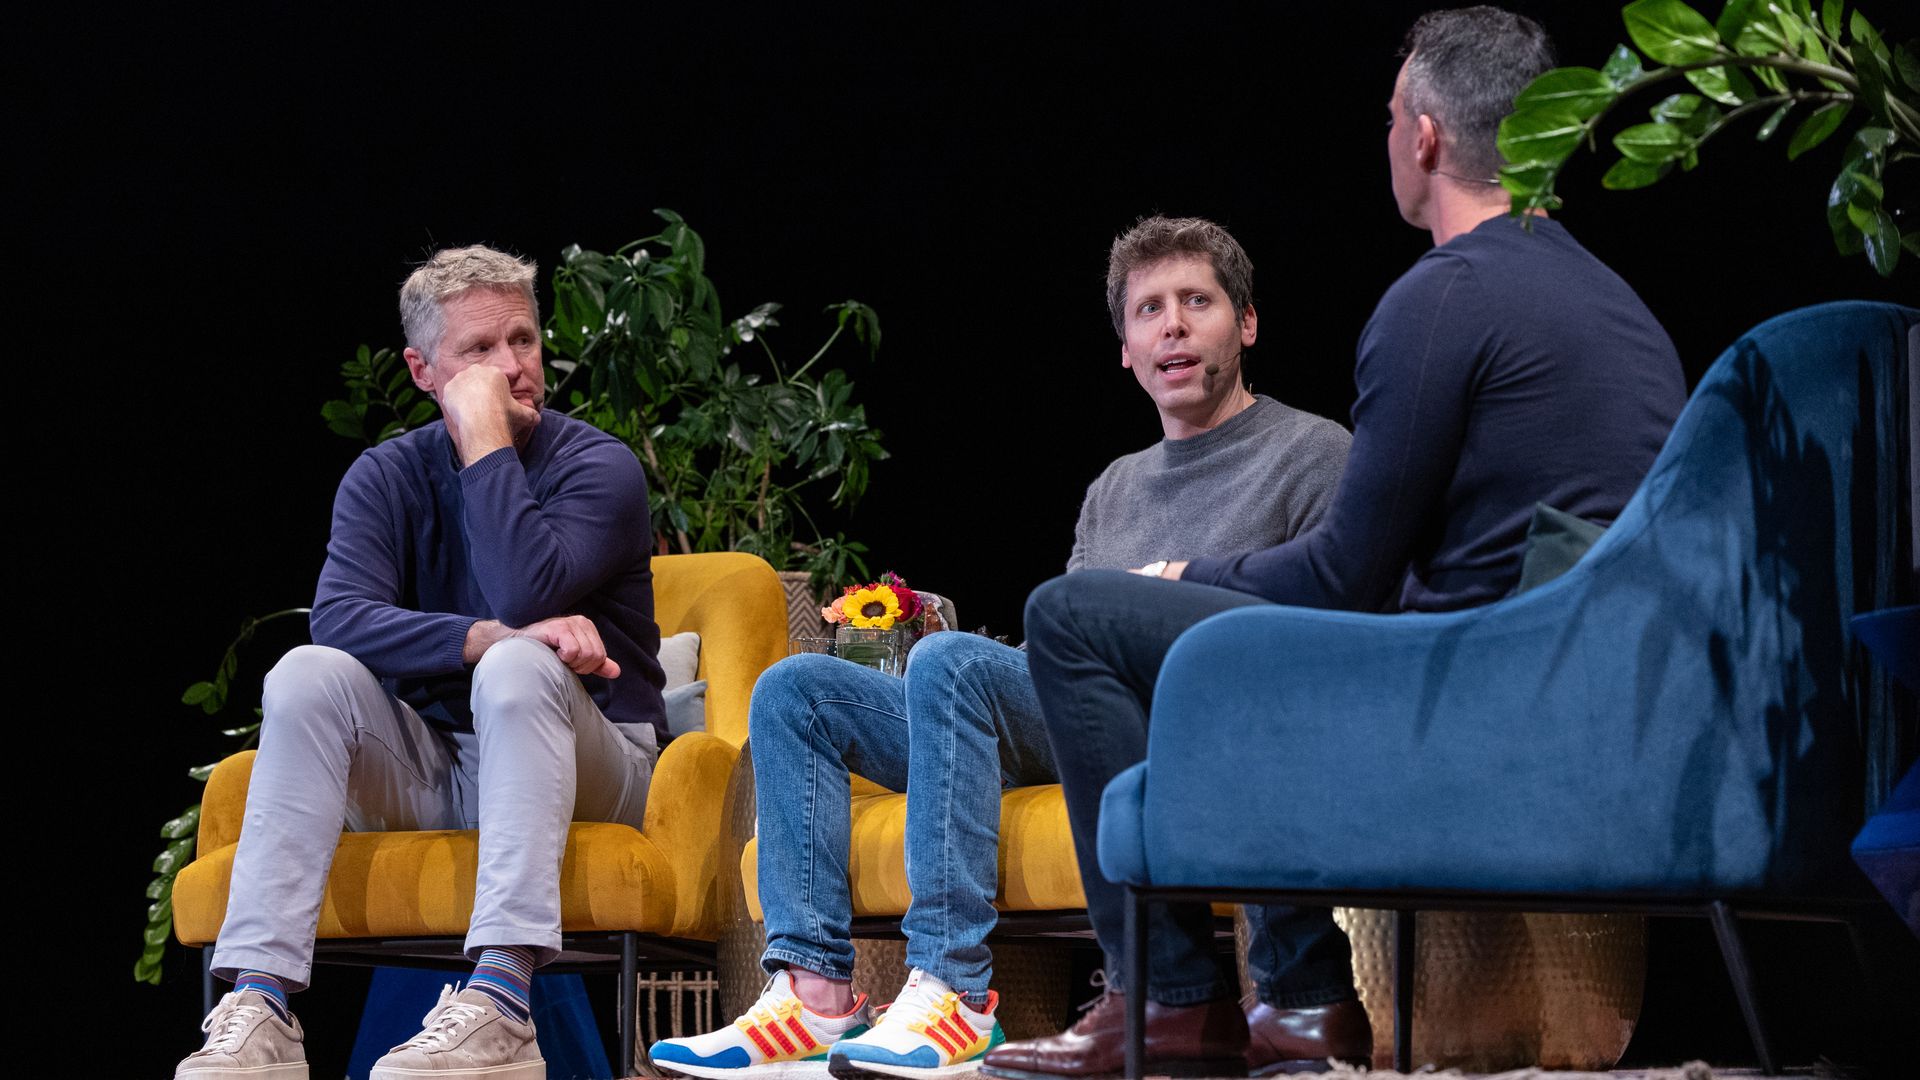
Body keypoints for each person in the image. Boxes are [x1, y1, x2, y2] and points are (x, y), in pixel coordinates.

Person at [982, 8, 1689, 1079]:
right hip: (1600, 697)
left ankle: (1172, 1002)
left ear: (1424, 137)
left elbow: (1341, 575)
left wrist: (1182, 575)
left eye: (1391, 111)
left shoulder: (1442, 297)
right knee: (1263, 648)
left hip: (1484, 702)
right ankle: (1303, 1005)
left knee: (1073, 613)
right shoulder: (1620, 303)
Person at [650, 216, 1353, 1080]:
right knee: (798, 689)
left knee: (954, 666)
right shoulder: (1114, 488)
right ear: (1125, 350)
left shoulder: (1312, 452)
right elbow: (1053, 659)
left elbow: (1325, 611)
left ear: (1245, 323)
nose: (1171, 325)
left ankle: (955, 993)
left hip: (1190, 716)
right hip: (1072, 722)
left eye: (1196, 302)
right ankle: (814, 995)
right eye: (1148, 310)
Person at [175, 245, 668, 1080]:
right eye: (479, 352)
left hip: (598, 764)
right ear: (422, 369)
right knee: (304, 674)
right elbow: (340, 619)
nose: (511, 367)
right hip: (441, 764)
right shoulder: (386, 476)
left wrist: (482, 440)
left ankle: (505, 1000)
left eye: (523, 340)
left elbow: (521, 587)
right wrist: (484, 640)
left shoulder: (599, 467)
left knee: (516, 676)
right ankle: (260, 1006)